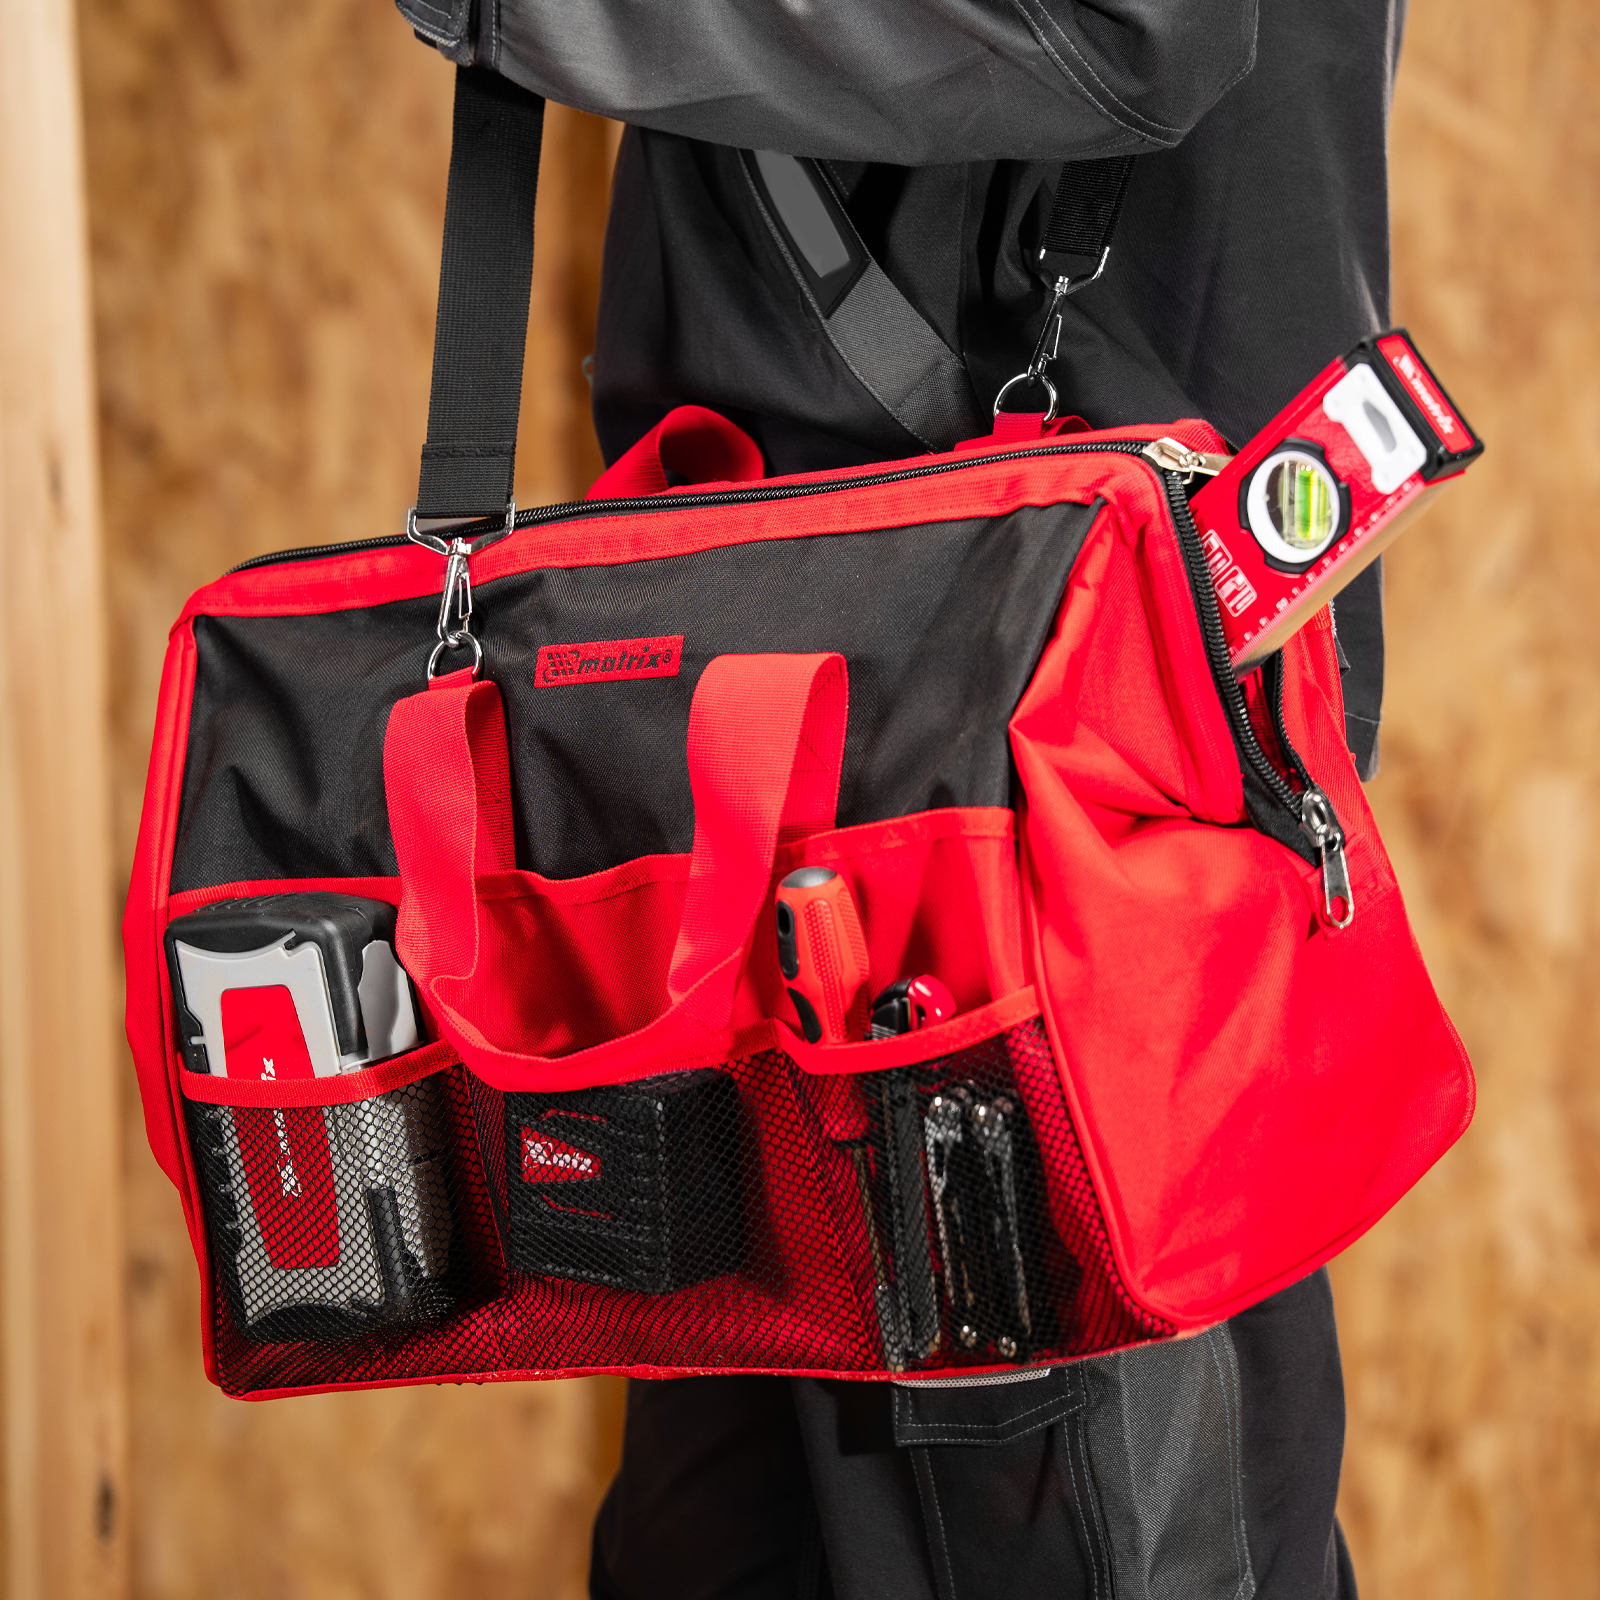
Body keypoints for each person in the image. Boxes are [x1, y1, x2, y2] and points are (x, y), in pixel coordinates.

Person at [403, 0, 1398, 1591]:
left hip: (1037, 792)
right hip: (784, 736)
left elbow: (1138, 33)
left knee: (1091, 1539)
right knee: (718, 1549)